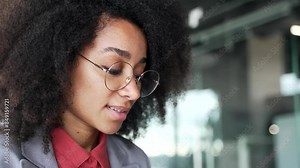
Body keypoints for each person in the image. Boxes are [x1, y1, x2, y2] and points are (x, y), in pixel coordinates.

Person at [0, 0, 190, 167]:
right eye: (113, 70)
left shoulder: (137, 160)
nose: (134, 92)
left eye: (139, 75)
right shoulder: (5, 157)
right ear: (61, 63)